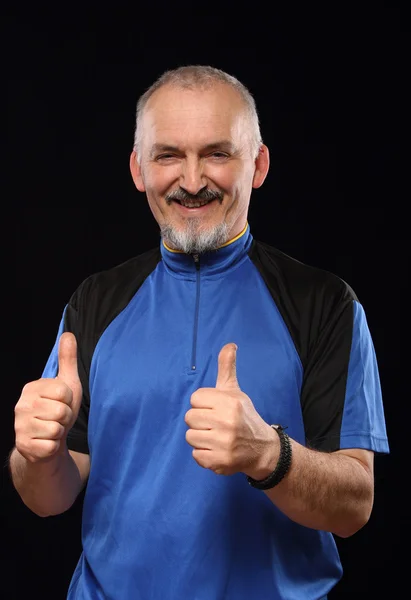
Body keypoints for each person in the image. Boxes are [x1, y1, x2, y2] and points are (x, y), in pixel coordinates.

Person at [9, 65, 389, 600]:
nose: (191, 181)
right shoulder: (94, 301)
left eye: (217, 153)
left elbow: (355, 506)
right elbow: (48, 497)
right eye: (168, 156)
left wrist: (269, 455)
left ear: (257, 165)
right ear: (139, 169)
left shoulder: (325, 304)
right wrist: (37, 455)